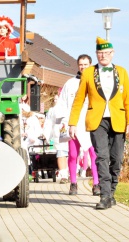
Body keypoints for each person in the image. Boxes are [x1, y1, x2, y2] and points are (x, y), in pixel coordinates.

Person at [68, 37, 129, 210]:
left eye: (106, 53)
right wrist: (72, 123)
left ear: (112, 54)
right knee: (102, 157)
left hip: (118, 120)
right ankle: (104, 195)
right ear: (96, 54)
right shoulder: (88, 73)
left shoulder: (121, 72)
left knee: (116, 159)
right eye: (100, 53)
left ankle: (112, 192)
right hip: (97, 121)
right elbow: (78, 99)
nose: (103, 56)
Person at [57, 54, 100, 196]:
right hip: (73, 124)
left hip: (89, 124)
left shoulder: (95, 81)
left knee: (94, 154)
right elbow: (62, 104)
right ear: (78, 66)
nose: (83, 67)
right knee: (73, 154)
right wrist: (64, 122)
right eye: (81, 64)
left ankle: (96, 184)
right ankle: (73, 183)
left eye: (85, 64)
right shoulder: (69, 84)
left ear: (90, 65)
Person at [43, 95, 69, 184]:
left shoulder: (69, 106)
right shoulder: (52, 110)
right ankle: (64, 175)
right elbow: (49, 122)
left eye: (57, 98)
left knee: (71, 154)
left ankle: (72, 173)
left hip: (71, 129)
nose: (56, 100)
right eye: (54, 99)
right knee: (61, 152)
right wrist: (46, 134)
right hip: (59, 131)